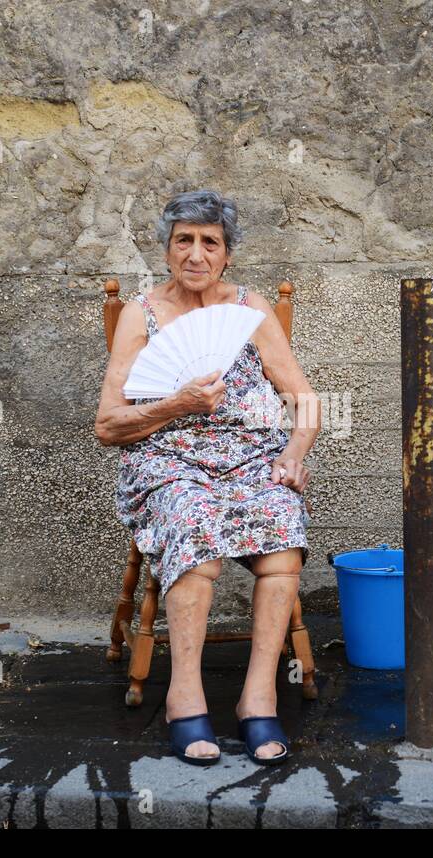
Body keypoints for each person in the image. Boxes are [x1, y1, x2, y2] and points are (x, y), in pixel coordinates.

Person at [95, 189, 320, 767]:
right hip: (169, 461)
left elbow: (304, 397)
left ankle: (258, 696)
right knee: (195, 536)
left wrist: (295, 451)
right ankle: (185, 693)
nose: (196, 254)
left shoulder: (250, 307)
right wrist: (176, 405)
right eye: (184, 241)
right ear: (167, 250)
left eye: (209, 243)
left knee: (283, 531)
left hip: (251, 457)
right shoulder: (140, 314)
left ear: (227, 255)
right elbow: (108, 424)